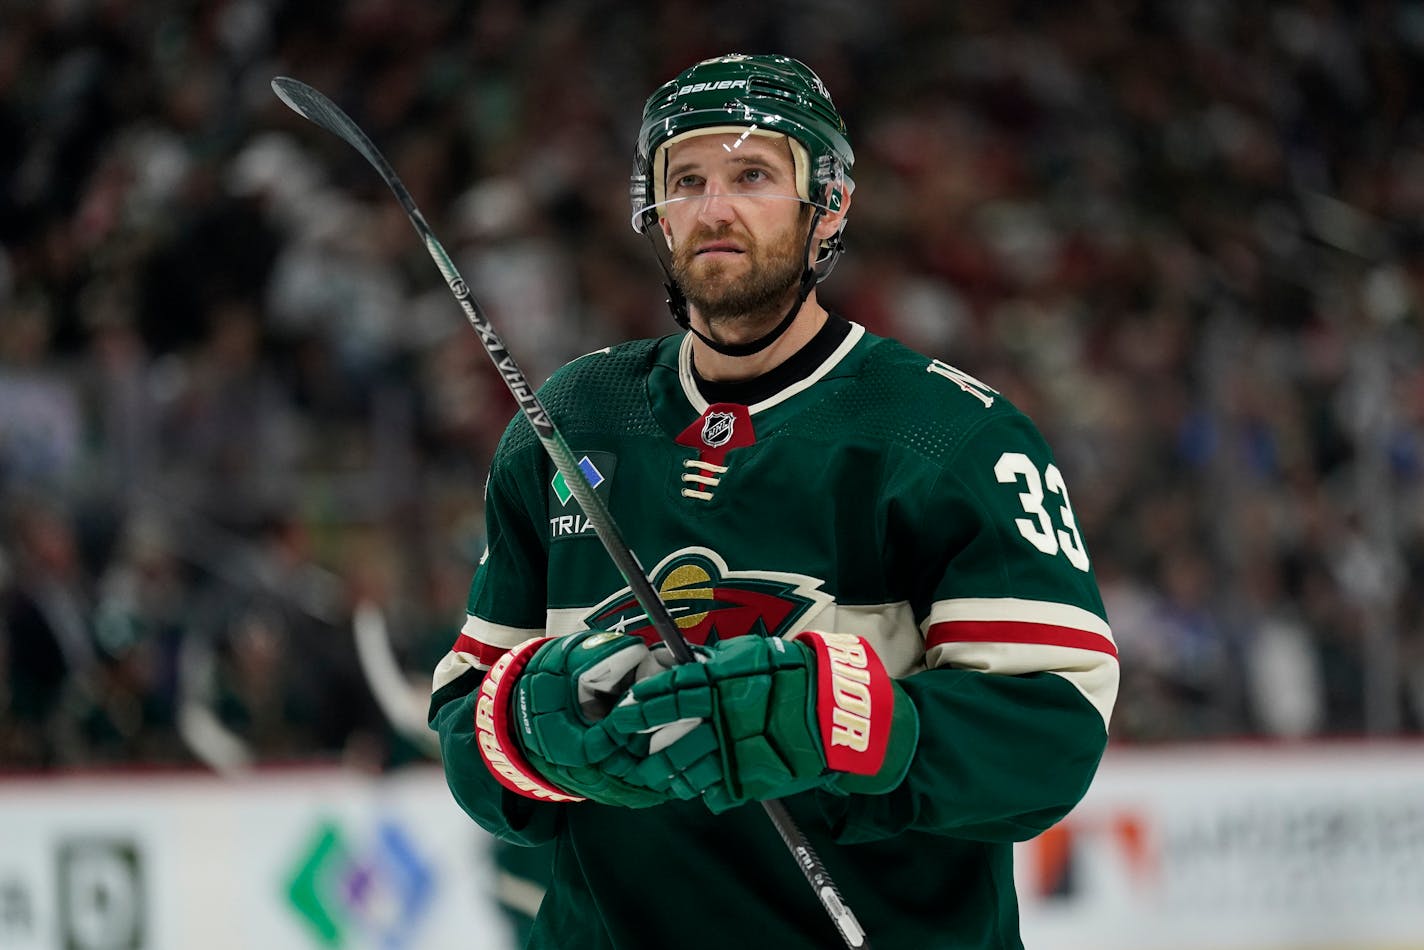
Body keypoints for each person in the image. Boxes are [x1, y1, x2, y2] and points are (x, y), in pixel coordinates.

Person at [429, 53, 1119, 950]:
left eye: (752, 174)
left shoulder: (951, 439)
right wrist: (524, 728)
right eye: (687, 180)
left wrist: (852, 720)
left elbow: (1050, 742)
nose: (713, 209)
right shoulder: (566, 423)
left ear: (826, 205)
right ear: (654, 211)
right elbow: (466, 727)